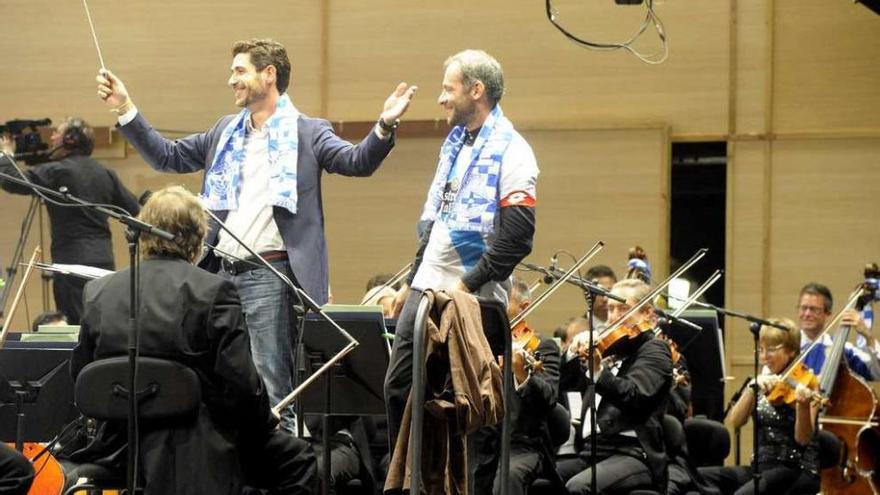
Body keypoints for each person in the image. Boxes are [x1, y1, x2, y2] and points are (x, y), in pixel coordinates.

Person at [96, 38, 417, 433]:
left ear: (270, 74)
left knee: (271, 387)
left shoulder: (309, 131)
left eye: (240, 71)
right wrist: (125, 108)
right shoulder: (223, 132)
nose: (231, 79)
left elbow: (356, 162)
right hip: (217, 276)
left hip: (271, 274)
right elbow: (168, 156)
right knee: (214, 380)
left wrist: (384, 125)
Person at [70, 186, 316, 494]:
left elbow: (81, 373)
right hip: (199, 445)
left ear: (142, 233)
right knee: (299, 459)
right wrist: (266, 419)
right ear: (197, 238)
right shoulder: (213, 291)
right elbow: (240, 381)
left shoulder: (99, 292)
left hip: (119, 445)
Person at [384, 49, 539, 452]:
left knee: (457, 409)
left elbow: (518, 238)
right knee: (399, 391)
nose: (441, 98)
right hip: (426, 289)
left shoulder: (513, 150)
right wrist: (410, 280)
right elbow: (438, 222)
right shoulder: (454, 144)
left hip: (471, 301)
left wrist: (466, 287)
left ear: (476, 90)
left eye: (448, 89)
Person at [0, 118, 140, 324]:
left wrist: (5, 152)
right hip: (103, 260)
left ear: (70, 140)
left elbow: (11, 181)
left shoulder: (57, 170)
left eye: (57, 133)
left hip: (71, 261)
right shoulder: (105, 173)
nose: (53, 137)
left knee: (75, 328)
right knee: (100, 323)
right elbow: (133, 209)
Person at [557, 278, 673, 494]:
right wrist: (573, 352)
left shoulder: (654, 350)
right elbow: (564, 384)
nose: (613, 316)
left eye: (623, 308)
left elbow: (637, 396)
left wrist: (599, 372)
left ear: (647, 313)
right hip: (591, 450)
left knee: (578, 487)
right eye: (610, 309)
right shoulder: (608, 349)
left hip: (632, 452)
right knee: (543, 478)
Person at [698, 318, 821, 495]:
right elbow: (736, 421)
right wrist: (751, 389)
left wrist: (803, 406)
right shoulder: (762, 382)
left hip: (794, 469)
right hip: (759, 468)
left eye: (771, 350)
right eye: (761, 349)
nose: (764, 357)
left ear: (792, 351)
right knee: (699, 476)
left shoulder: (807, 383)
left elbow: (803, 439)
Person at [474, 278, 561, 495]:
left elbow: (549, 398)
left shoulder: (542, 347)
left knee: (506, 478)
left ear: (523, 308)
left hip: (521, 447)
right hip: (480, 442)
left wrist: (522, 374)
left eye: (502, 301)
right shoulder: (478, 344)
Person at [796, 282, 880, 380]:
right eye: (803, 308)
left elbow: (877, 373)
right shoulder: (786, 347)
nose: (807, 314)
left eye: (814, 309)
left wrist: (867, 335)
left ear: (827, 314)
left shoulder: (843, 350)